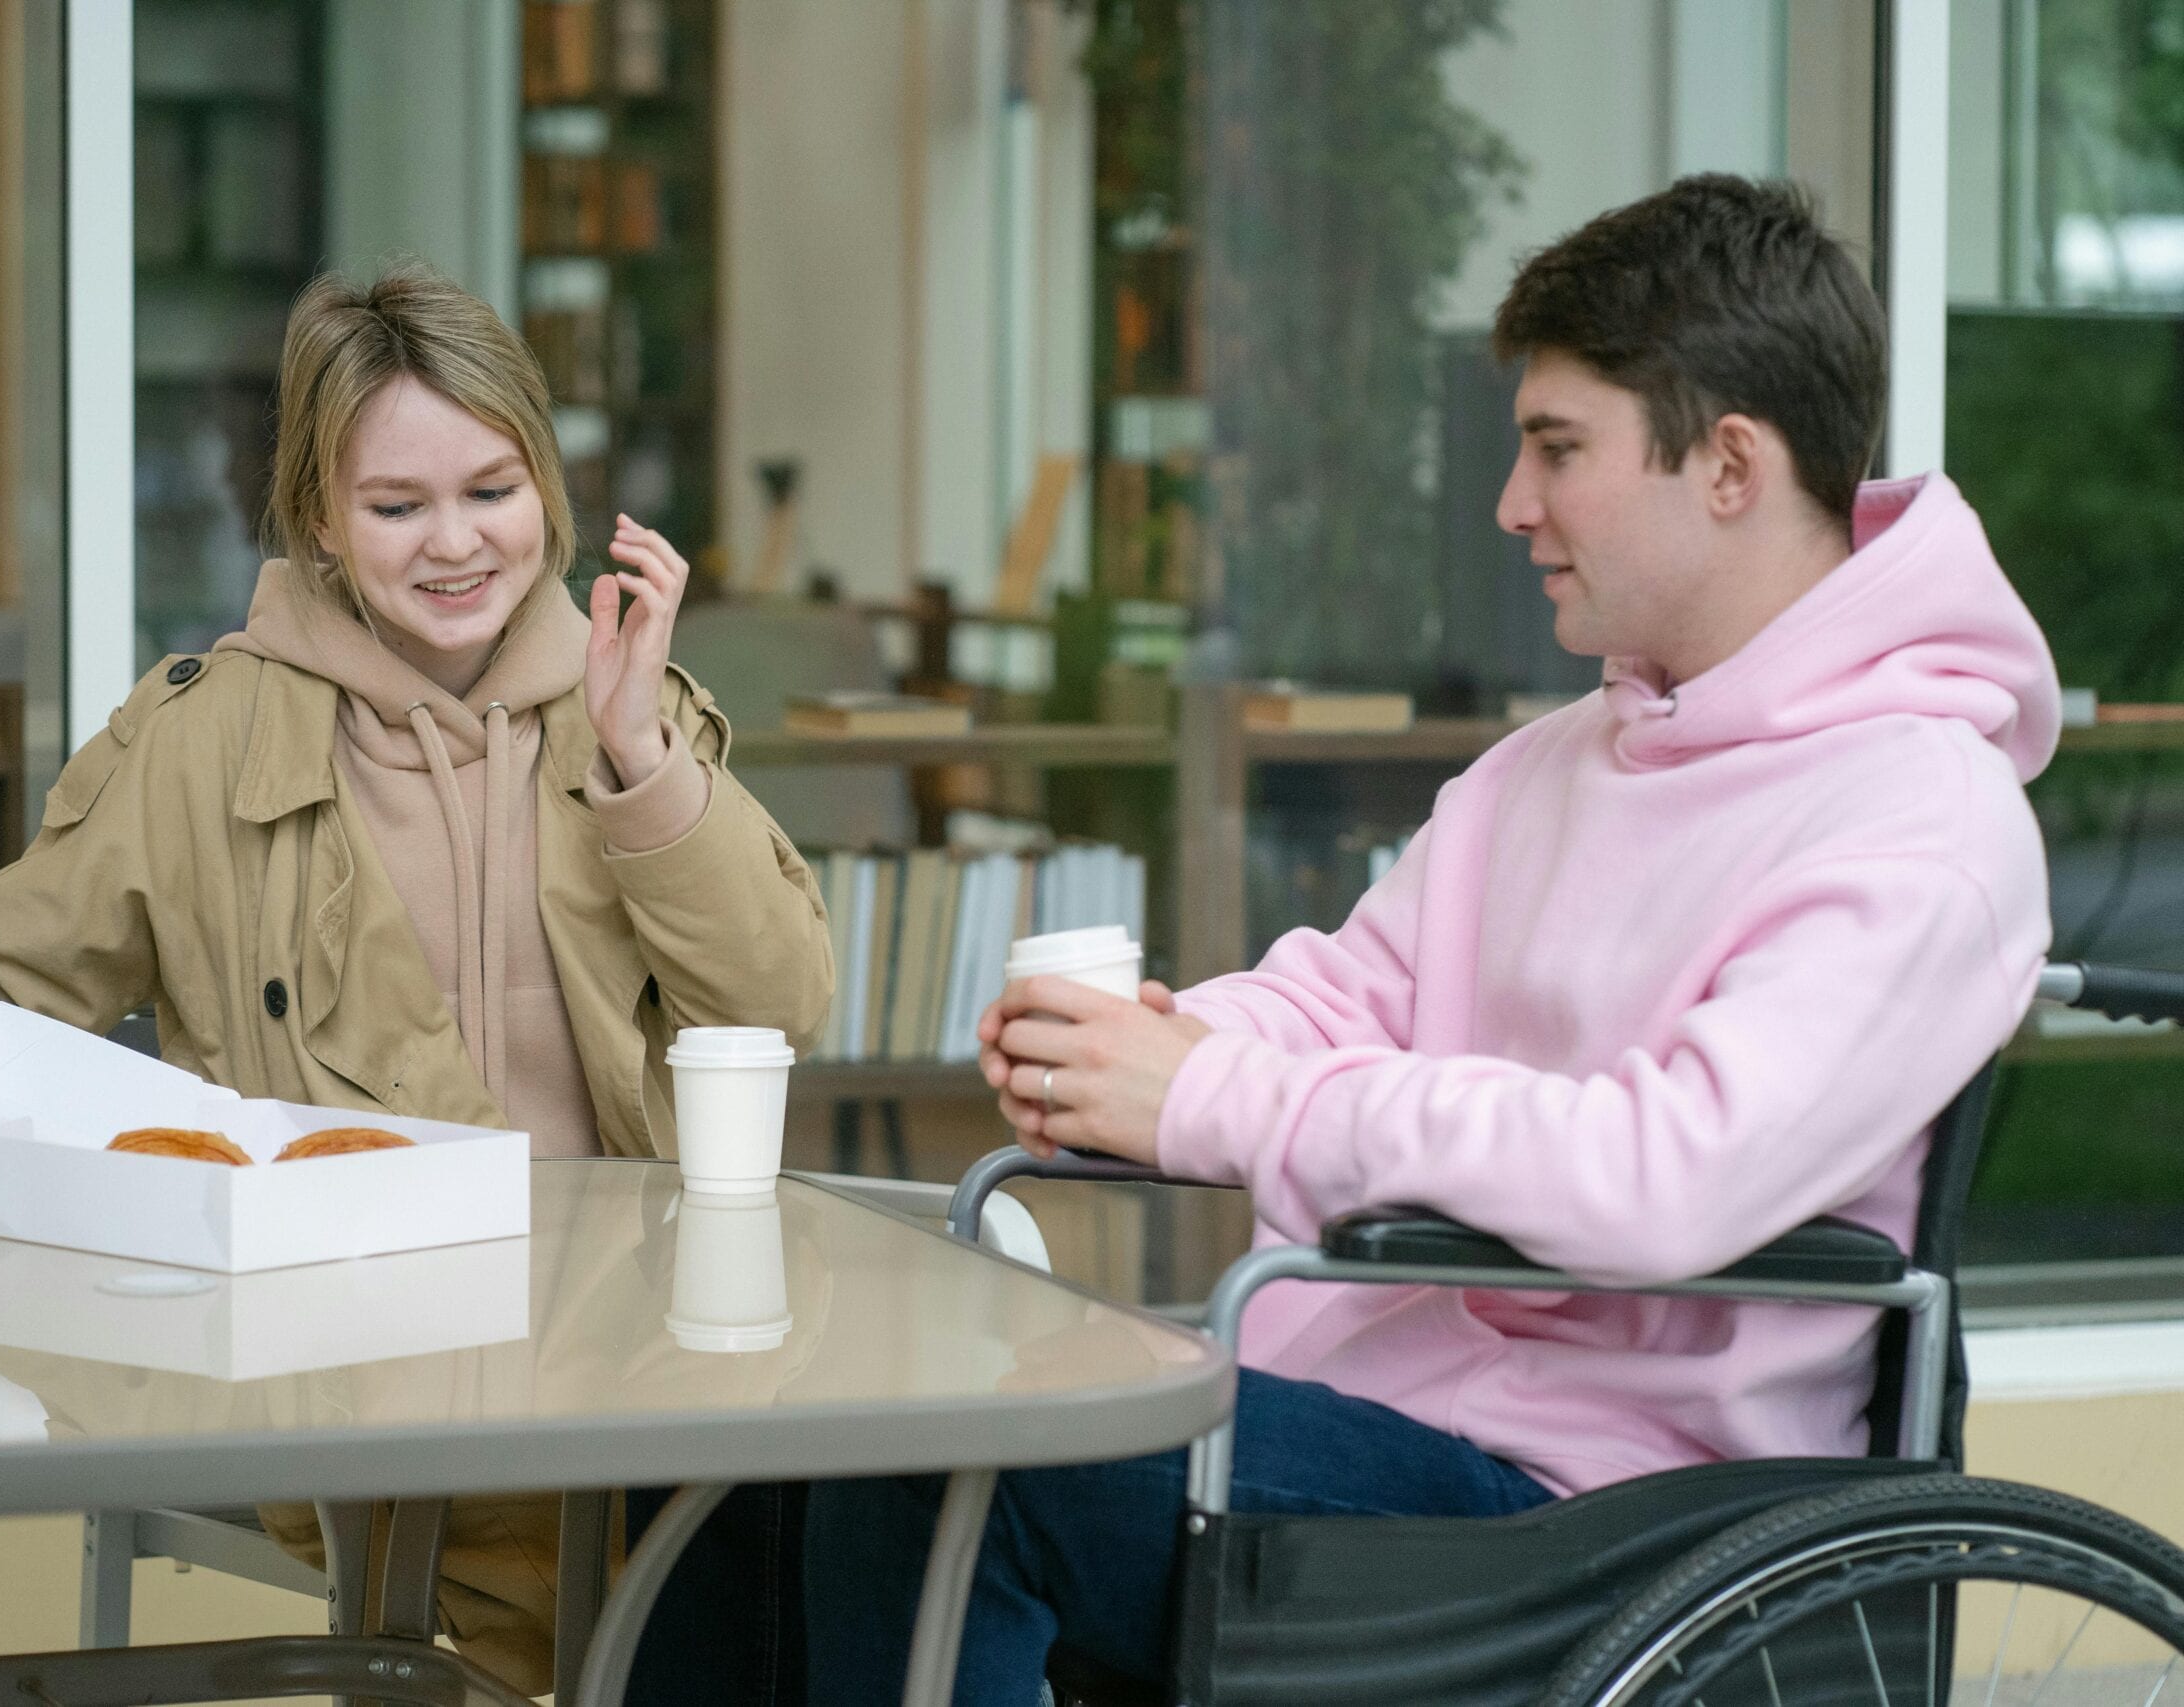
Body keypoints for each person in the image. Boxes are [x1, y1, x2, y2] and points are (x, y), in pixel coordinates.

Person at [802, 175, 2059, 1703]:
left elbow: (1663, 1177)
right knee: (796, 1446)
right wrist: (1136, 1051)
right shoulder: (1550, 767)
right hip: (1363, 1409)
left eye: (1556, 450)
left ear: (1730, 464)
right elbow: (1345, 995)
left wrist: (1210, 1100)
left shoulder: (1923, 819)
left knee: (955, 1456)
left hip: (1606, 1513)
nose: (1512, 505)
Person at [0, 260, 834, 1699]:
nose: (456, 543)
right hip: (347, 1378)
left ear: (548, 483)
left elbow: (782, 1009)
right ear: (321, 520)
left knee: (828, 1525)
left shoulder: (633, 703)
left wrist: (642, 764)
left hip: (631, 1360)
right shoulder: (201, 741)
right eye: (398, 506)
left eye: (492, 489)